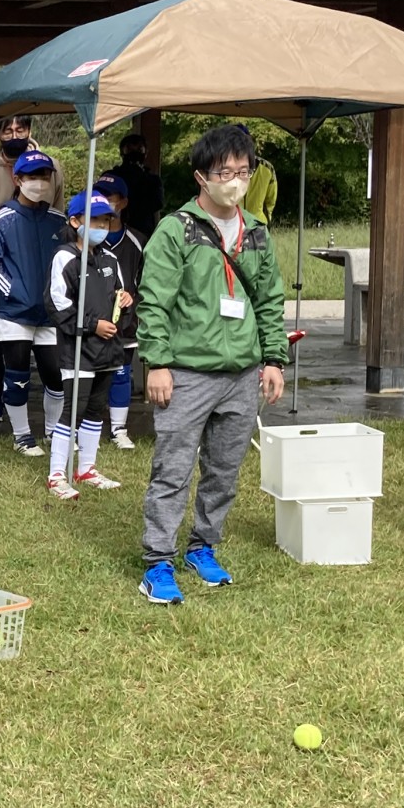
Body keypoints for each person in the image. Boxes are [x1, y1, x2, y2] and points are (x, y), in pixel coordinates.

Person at [137, 125, 288, 605]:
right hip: (187, 372)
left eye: (244, 171)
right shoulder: (176, 230)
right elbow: (153, 301)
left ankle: (203, 547)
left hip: (242, 374)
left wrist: (273, 359)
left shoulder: (256, 233)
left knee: (224, 470)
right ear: (201, 176)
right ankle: (158, 561)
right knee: (173, 470)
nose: (235, 181)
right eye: (225, 172)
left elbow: (269, 300)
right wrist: (157, 363)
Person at [0, 116, 66, 424]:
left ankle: (44, 411)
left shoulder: (53, 167)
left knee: (44, 345)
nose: (14, 135)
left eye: (20, 129)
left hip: (39, 261)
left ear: (29, 130)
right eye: (7, 130)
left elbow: (59, 208)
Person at [0, 150, 67, 457]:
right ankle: (22, 436)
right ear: (18, 180)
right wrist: (14, 290)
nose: (40, 182)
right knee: (17, 375)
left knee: (56, 375)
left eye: (44, 175)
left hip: (50, 315)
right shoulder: (2, 218)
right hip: (13, 313)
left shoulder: (58, 220)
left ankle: (54, 432)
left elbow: (69, 261)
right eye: (33, 176)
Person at [45, 191, 129, 500]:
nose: (102, 226)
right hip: (78, 350)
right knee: (73, 410)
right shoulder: (65, 257)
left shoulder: (110, 259)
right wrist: (92, 325)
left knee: (96, 409)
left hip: (108, 350)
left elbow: (119, 296)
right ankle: (57, 474)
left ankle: (87, 468)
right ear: (75, 221)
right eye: (95, 220)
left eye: (106, 220)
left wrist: (125, 301)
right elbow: (57, 304)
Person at [93, 171, 149, 450]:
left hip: (125, 321)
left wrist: (133, 298)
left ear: (123, 202)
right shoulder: (88, 237)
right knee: (89, 375)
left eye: (109, 196)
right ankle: (86, 428)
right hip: (91, 321)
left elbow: (149, 282)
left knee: (121, 373)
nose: (104, 201)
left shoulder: (139, 240)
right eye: (99, 195)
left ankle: (119, 429)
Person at [110, 133, 164, 236]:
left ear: (145, 153)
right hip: (116, 230)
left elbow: (157, 203)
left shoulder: (153, 180)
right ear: (122, 153)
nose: (134, 153)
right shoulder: (112, 176)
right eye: (129, 149)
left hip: (143, 232)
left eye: (140, 149)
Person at [237, 125, 278, 224]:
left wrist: (266, 219)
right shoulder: (226, 168)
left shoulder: (267, 168)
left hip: (257, 224)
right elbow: (270, 201)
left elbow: (270, 201)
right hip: (235, 224)